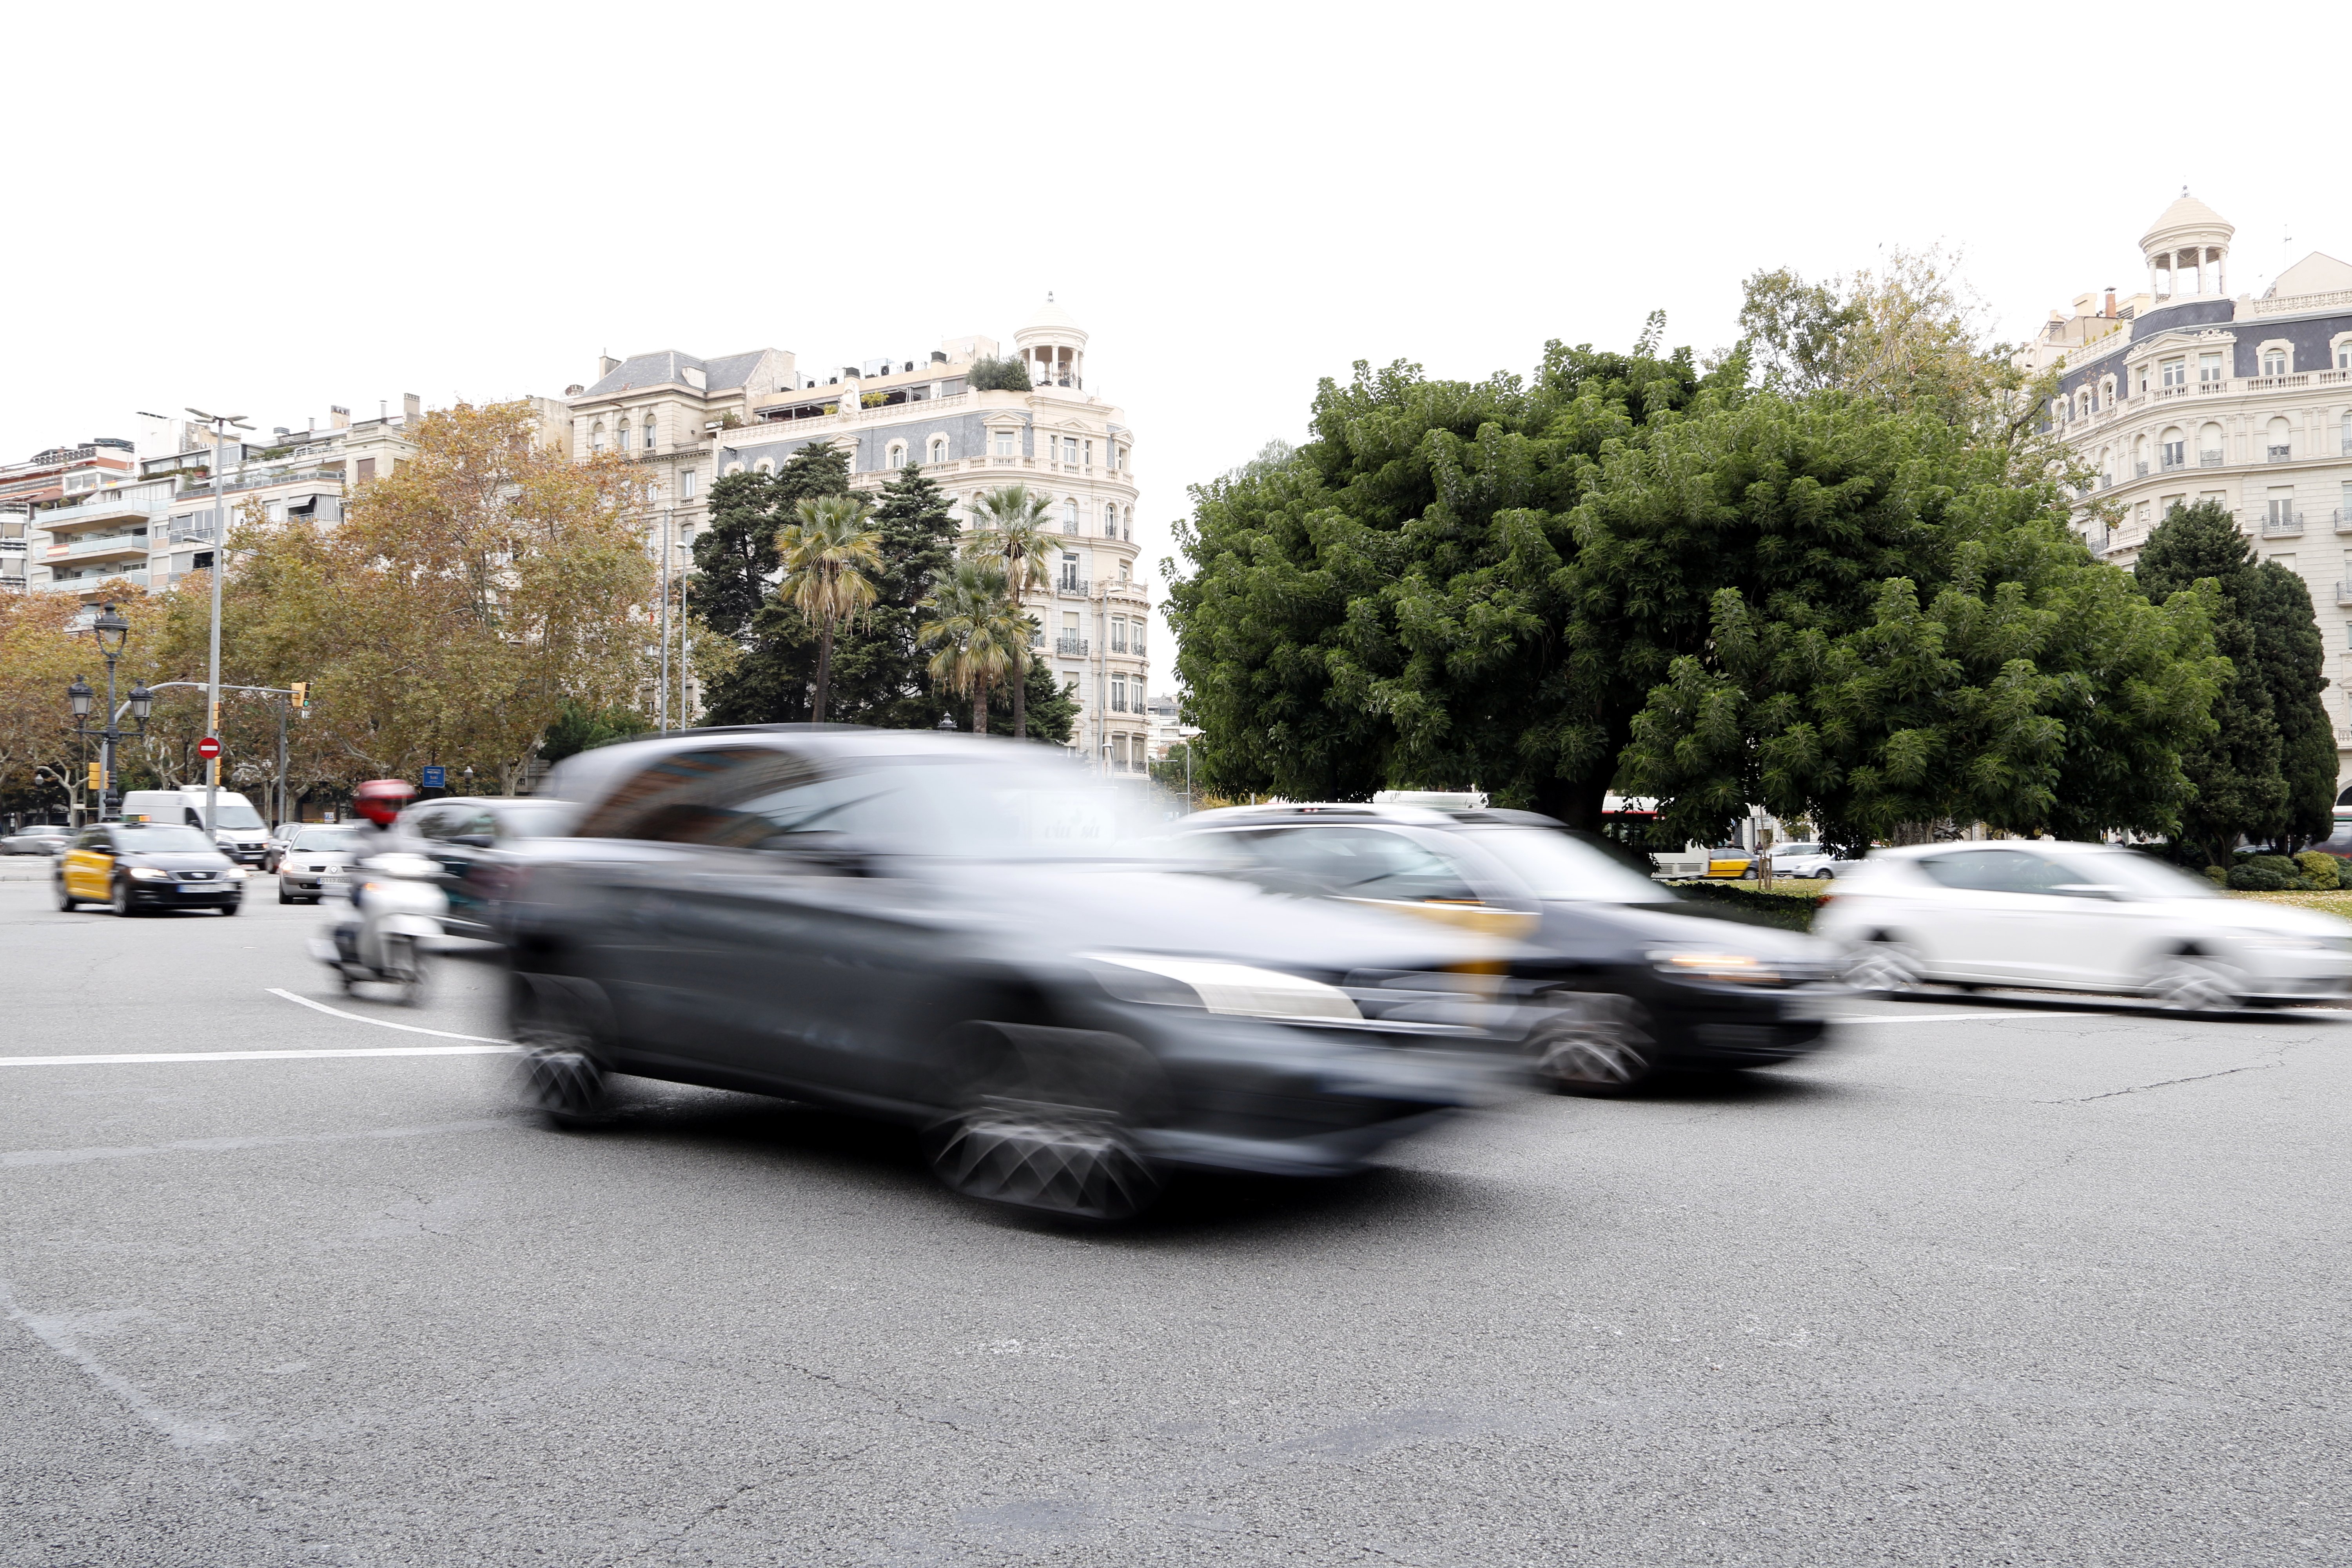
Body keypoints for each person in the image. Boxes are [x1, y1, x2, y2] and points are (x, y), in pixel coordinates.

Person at [331, 779, 417, 965]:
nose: (390, 808)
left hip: (398, 887)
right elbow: (356, 859)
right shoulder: (363, 833)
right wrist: (363, 874)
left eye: (393, 804)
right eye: (385, 804)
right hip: (370, 887)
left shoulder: (405, 829)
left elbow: (417, 851)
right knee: (362, 915)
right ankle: (355, 951)